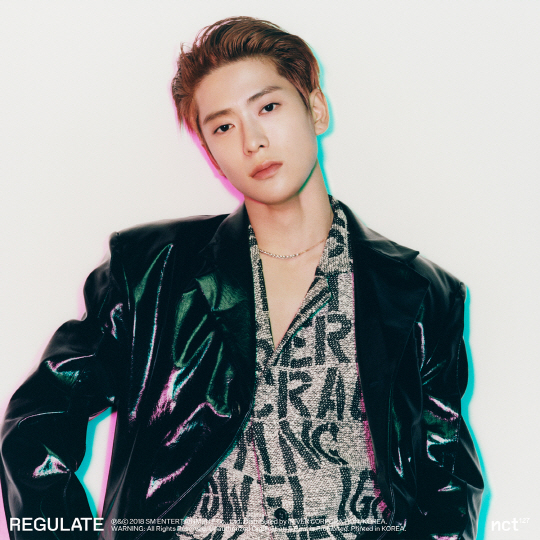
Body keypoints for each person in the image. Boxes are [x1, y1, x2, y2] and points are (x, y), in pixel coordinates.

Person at [0, 16, 483, 540]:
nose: (253, 141)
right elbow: (36, 425)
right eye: (224, 127)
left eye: (268, 107)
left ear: (315, 108)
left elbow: (447, 486)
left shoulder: (418, 293)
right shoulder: (151, 271)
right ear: (211, 153)